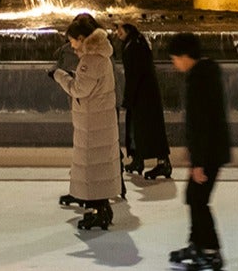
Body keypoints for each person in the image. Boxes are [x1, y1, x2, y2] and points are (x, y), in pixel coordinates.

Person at [166, 33, 232, 271]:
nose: (174, 64)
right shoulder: (203, 74)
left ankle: (211, 252)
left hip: (209, 153)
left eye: (175, 59)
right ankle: (198, 245)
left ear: (185, 57)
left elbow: (202, 123)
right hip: (209, 151)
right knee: (194, 197)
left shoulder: (199, 80)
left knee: (198, 199)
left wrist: (199, 162)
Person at [51, 18, 121, 231]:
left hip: (92, 123)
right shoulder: (102, 56)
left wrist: (59, 75)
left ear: (82, 39)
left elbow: (79, 90)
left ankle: (96, 211)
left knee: (92, 168)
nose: (71, 46)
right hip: (99, 120)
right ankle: (102, 209)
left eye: (72, 41)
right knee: (99, 166)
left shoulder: (90, 60)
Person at [118, 24, 172, 181]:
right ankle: (138, 160)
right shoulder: (136, 42)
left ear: (128, 29)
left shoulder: (135, 45)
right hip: (143, 94)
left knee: (148, 128)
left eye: (120, 29)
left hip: (142, 95)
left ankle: (162, 163)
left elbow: (135, 73)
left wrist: (128, 97)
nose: (117, 33)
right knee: (138, 128)